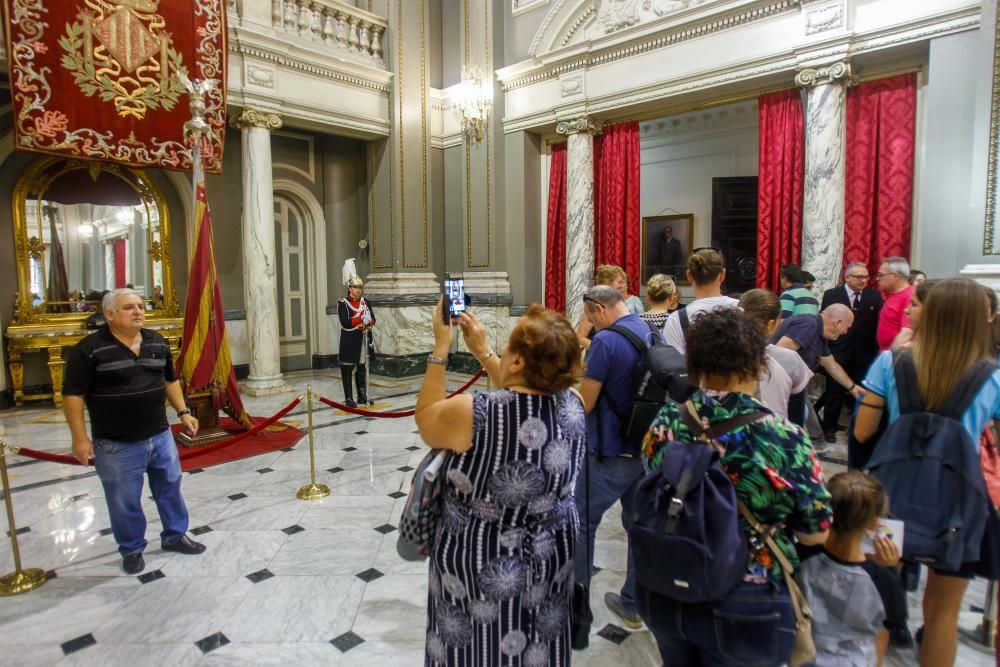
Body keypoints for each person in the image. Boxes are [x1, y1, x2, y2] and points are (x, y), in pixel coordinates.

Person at [638, 308, 833, 667]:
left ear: (693, 363)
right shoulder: (782, 437)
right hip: (747, 594)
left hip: (669, 582)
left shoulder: (665, 423)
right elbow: (815, 534)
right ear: (758, 363)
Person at [414, 298, 586, 666]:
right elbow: (523, 393)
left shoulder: (472, 412)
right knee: (538, 635)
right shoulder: (573, 404)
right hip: (549, 548)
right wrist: (483, 350)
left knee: (473, 642)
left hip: (479, 552)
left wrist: (441, 348)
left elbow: (427, 421)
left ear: (519, 361)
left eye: (509, 348)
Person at [854, 278, 1000, 667]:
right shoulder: (993, 375)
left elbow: (863, 431)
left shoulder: (892, 362)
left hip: (892, 494)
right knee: (942, 615)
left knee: (880, 602)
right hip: (960, 499)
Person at [61, 288, 206, 575]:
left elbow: (170, 380)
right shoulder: (89, 349)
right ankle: (132, 549)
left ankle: (175, 535)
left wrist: (184, 412)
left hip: (160, 435)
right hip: (117, 443)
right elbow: (73, 395)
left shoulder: (156, 341)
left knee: (170, 488)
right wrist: (79, 437)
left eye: (141, 305)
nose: (138, 311)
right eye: (129, 307)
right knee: (124, 500)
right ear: (109, 314)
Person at [574, 284, 653, 630]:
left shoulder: (606, 341)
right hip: (644, 450)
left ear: (598, 310)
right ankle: (633, 604)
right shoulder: (649, 329)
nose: (590, 324)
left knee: (581, 526)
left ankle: (576, 609)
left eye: (589, 317)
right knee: (638, 528)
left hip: (608, 451)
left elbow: (587, 403)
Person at [796, 471, 904, 667]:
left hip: (803, 656)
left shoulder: (802, 554)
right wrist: (889, 569)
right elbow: (895, 620)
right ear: (874, 523)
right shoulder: (882, 580)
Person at [817, 262, 883, 443]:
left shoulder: (874, 296)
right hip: (839, 351)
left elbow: (878, 325)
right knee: (833, 393)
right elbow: (827, 321)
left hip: (864, 354)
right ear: (847, 277)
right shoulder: (832, 295)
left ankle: (856, 428)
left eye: (866, 277)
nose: (864, 281)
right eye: (859, 277)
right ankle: (829, 427)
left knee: (860, 392)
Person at [772, 305, 866, 429]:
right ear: (837, 323)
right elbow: (780, 353)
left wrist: (853, 387)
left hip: (792, 389)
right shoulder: (809, 324)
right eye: (846, 328)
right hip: (781, 389)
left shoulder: (819, 333)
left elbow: (831, 365)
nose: (845, 332)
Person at [738, 288, 812, 420]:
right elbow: (796, 411)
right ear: (771, 324)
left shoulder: (722, 355)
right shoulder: (789, 358)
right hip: (775, 435)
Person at [661, 247, 738, 354]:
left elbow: (674, 364)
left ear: (689, 276)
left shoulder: (676, 319)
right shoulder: (742, 310)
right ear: (723, 274)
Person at [576, 264, 643, 349]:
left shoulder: (635, 301)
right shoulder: (594, 306)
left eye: (623, 281)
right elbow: (580, 337)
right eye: (618, 282)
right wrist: (602, 347)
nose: (622, 285)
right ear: (606, 285)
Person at [338, 269, 375, 407]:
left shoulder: (366, 302)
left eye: (360, 287)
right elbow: (345, 322)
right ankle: (348, 397)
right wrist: (360, 318)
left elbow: (373, 319)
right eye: (355, 287)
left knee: (362, 367)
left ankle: (362, 395)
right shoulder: (343, 303)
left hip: (363, 338)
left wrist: (368, 322)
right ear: (349, 288)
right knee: (347, 368)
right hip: (350, 339)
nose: (358, 290)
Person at [875, 256, 913, 351]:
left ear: (895, 276)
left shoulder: (909, 296)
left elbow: (907, 332)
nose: (877, 278)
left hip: (897, 357)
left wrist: (889, 358)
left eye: (881, 275)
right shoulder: (893, 294)